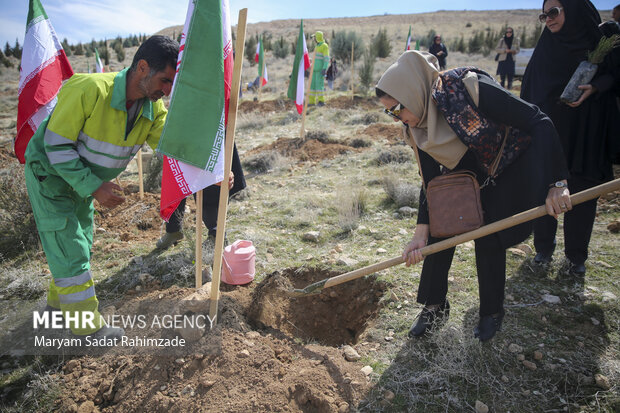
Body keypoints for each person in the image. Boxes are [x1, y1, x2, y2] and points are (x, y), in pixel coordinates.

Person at [376, 51, 570, 342]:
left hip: (510, 163)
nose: (396, 118)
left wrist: (557, 183)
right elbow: (431, 184)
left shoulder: (469, 88)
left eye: (397, 109)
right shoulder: (416, 128)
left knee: (488, 232)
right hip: (469, 175)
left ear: (413, 92)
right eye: (388, 113)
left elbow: (539, 121)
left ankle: (491, 312)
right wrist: (420, 234)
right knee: (441, 225)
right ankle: (435, 306)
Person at [24, 35, 179, 340]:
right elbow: (56, 148)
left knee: (79, 240)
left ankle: (57, 309)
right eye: (165, 80)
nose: (168, 90)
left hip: (85, 181)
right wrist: (95, 187)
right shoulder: (90, 88)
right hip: (51, 175)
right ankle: (87, 331)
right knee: (69, 245)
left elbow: (175, 148)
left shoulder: (153, 110)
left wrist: (213, 170)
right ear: (143, 68)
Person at [521, 0, 620, 276]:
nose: (548, 19)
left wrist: (596, 87)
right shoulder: (546, 48)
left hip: (587, 132)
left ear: (573, 9)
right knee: (544, 190)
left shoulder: (598, 43)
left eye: (553, 12)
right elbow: (530, 89)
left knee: (583, 191)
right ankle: (543, 248)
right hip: (550, 134)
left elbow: (615, 75)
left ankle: (576, 257)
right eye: (544, 15)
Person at [156, 144, 246, 249]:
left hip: (209, 134)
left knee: (210, 179)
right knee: (177, 173)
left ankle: (216, 235)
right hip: (181, 134)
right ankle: (173, 229)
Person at [309, 31, 330, 106]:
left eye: (314, 37)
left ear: (317, 37)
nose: (313, 39)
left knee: (319, 86)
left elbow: (326, 58)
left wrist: (324, 68)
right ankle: (311, 102)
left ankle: (321, 101)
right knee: (312, 87)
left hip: (320, 71)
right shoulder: (317, 46)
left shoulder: (324, 46)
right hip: (313, 71)